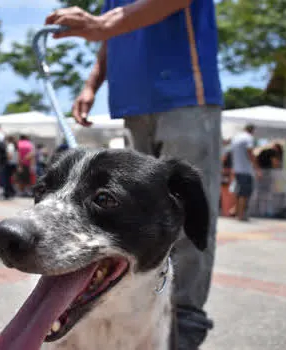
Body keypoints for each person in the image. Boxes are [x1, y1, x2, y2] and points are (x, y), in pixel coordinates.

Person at [45, 1, 223, 348]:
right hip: (134, 101)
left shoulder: (109, 14)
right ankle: (138, 311)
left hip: (186, 92)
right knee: (134, 217)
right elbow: (112, 40)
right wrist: (91, 85)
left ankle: (185, 319)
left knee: (188, 215)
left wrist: (100, 24)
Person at [229, 124, 261, 221]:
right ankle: (241, 215)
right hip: (246, 170)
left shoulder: (236, 138)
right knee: (245, 193)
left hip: (237, 169)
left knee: (239, 192)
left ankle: (237, 212)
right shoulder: (248, 138)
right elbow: (250, 153)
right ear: (252, 130)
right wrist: (257, 168)